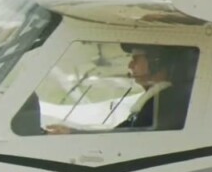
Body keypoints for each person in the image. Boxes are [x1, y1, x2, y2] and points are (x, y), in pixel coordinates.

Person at [46, 44, 196, 134]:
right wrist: (73, 133)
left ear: (156, 61)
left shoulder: (165, 103)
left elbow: (127, 139)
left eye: (136, 60)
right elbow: (119, 134)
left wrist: (74, 134)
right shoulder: (155, 101)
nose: (130, 66)